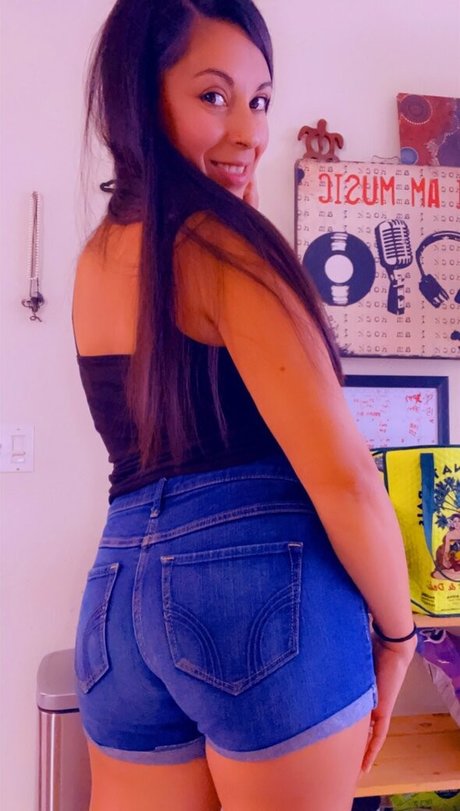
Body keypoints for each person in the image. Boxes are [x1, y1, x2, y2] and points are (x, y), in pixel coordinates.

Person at [72, 2, 416, 809]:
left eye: (259, 101)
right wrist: (400, 635)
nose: (249, 132)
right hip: (259, 589)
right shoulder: (223, 248)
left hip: (117, 604)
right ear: (140, 94)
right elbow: (345, 481)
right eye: (214, 96)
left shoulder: (97, 258)